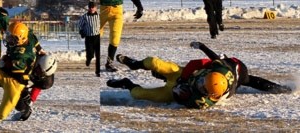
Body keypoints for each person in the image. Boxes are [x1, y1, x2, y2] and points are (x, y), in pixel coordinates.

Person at [106, 42, 292, 109]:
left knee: (139, 95)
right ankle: (135, 64)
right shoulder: (219, 68)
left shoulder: (208, 99)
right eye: (203, 81)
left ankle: (126, 83)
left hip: (176, 89)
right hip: (185, 74)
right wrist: (201, 47)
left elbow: (191, 103)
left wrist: (181, 96)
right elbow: (200, 63)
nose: (201, 85)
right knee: (155, 62)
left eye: (203, 87)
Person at [97, 0, 143, 72]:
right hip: (103, 10)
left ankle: (109, 63)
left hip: (117, 11)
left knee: (115, 38)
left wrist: (140, 7)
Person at [77, 2, 102, 76]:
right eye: (90, 7)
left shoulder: (99, 16)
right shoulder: (84, 17)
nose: (92, 9)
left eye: (93, 7)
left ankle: (98, 72)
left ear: (95, 8)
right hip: (89, 38)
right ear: (88, 8)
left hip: (97, 37)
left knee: (98, 56)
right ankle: (88, 59)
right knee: (90, 54)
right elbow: (80, 25)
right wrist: (82, 32)